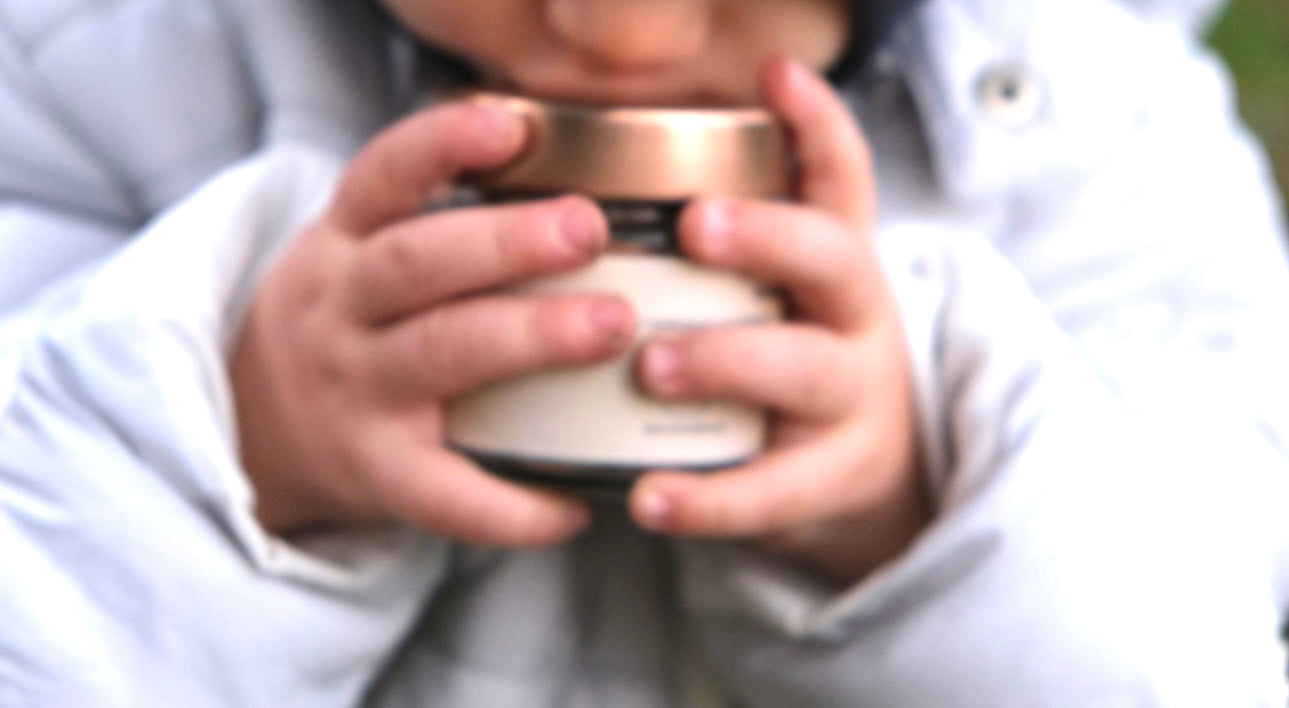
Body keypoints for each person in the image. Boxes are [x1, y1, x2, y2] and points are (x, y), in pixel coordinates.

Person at [1, 0, 1287, 705]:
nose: (624, 32)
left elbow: (1197, 657)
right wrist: (240, 432)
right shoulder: (99, 59)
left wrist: (917, 485)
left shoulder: (1092, 147)